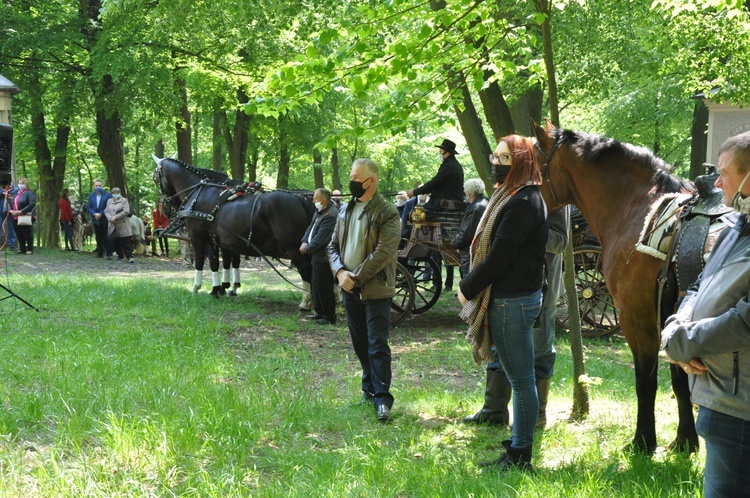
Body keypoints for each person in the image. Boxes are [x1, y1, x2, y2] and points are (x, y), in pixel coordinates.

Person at [661, 131, 750, 498]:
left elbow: (746, 321)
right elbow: (698, 286)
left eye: (725, 172)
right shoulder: (735, 227)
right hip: (722, 398)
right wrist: (676, 328)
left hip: (741, 409)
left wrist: (683, 343)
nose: (717, 181)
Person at [458, 134, 548, 471]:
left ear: (521, 162)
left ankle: (520, 455)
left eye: (504, 158)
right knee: (519, 378)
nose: (495, 163)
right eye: (495, 156)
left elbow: (499, 259)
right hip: (514, 298)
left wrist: (466, 288)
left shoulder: (523, 202)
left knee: (522, 381)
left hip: (512, 301)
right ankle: (518, 446)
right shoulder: (514, 196)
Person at [462, 205, 569, 429]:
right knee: (498, 349)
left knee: (540, 352)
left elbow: (560, 241)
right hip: (506, 287)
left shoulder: (554, 195)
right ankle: (494, 411)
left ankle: (537, 416)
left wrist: (526, 228)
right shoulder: (509, 194)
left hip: (542, 289)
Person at [329, 158, 401, 423]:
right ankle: (368, 390)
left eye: (357, 178)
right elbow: (332, 247)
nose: (352, 182)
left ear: (372, 181)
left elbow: (384, 252)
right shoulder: (346, 209)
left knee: (377, 344)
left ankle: (383, 399)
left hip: (376, 289)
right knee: (360, 344)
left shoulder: (388, 212)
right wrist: (339, 272)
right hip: (348, 287)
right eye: (351, 176)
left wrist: (355, 278)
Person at [300, 188, 339, 325]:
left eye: (315, 199)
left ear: (323, 200)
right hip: (316, 256)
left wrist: (307, 249)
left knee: (324, 287)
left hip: (324, 257)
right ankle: (319, 313)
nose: (313, 201)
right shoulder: (319, 212)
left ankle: (329, 316)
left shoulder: (331, 215)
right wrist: (304, 241)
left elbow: (321, 238)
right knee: (316, 286)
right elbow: (310, 228)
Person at [407, 138, 465, 214]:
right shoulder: (453, 165)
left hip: (443, 204)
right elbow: (435, 184)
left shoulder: (449, 166)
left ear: (447, 152)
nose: (439, 153)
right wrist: (423, 190)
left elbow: (434, 183)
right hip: (447, 202)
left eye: (441, 151)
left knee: (414, 214)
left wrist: (414, 192)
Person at [451, 178, 488, 278]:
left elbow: (466, 233)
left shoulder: (476, 208)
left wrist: (454, 244)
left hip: (472, 255)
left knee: (468, 286)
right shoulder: (485, 202)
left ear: (469, 192)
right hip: (479, 252)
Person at [104, 187, 134, 263]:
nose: (116, 194)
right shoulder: (109, 201)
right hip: (112, 224)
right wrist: (110, 218)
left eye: (117, 192)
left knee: (126, 241)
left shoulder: (124, 200)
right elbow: (106, 211)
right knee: (115, 240)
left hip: (123, 223)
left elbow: (126, 211)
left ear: (120, 193)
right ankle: (120, 255)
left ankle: (129, 256)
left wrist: (116, 217)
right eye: (114, 193)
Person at [87, 179, 114, 258]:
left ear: (103, 186)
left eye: (100, 185)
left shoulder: (108, 195)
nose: (98, 187)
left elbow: (108, 206)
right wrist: (94, 214)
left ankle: (109, 253)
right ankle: (100, 253)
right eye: (96, 186)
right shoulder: (91, 195)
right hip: (95, 219)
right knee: (98, 236)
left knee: (105, 236)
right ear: (93, 187)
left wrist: (101, 214)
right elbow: (89, 206)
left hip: (104, 218)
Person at [10, 178, 37, 255]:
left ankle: (29, 249)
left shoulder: (29, 193)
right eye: (19, 183)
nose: (20, 185)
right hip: (15, 216)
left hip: (25, 215)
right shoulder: (17, 193)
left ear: (26, 184)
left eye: (22, 183)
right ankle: (22, 249)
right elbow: (13, 203)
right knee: (18, 232)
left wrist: (21, 211)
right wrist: (12, 210)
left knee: (27, 232)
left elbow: (32, 204)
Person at [1, 183, 17, 250]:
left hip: (10, 211)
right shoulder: (1, 188)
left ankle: (11, 244)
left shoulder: (16, 189)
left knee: (11, 227)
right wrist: (3, 192)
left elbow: (15, 200)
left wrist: (10, 210)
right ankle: (1, 243)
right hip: (1, 211)